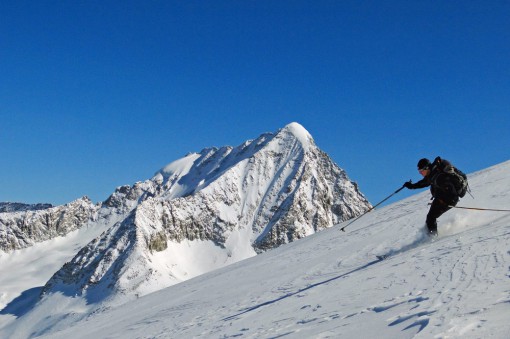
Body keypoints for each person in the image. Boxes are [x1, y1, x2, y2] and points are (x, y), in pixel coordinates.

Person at [404, 157, 460, 236]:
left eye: (421, 171)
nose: (420, 173)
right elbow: (423, 183)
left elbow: (451, 190)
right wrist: (411, 186)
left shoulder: (439, 177)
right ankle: (430, 236)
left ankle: (432, 238)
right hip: (441, 198)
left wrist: (447, 201)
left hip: (448, 200)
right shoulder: (432, 174)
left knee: (431, 218)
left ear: (426, 168)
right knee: (430, 218)